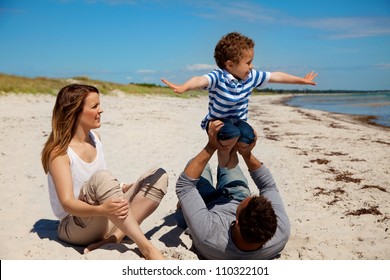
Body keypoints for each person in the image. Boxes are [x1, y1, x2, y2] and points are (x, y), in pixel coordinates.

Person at [41, 84, 168, 260]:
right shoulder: (60, 154)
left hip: (102, 216)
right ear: (75, 112)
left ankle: (114, 238)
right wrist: (102, 209)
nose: (101, 110)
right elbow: (67, 203)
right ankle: (147, 248)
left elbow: (95, 180)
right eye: (94, 106)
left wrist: (122, 188)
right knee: (103, 178)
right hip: (75, 225)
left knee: (158, 176)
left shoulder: (96, 139)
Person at [162, 32, 318, 169]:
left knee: (249, 138)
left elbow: (276, 76)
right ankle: (223, 153)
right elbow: (199, 80)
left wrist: (301, 81)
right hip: (218, 121)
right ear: (229, 65)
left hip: (238, 120)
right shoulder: (218, 77)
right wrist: (184, 87)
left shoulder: (251, 77)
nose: (251, 66)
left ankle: (230, 152)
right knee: (231, 134)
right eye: (248, 62)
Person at [175, 120, 290, 259]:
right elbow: (268, 186)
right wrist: (247, 154)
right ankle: (229, 148)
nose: (252, 196)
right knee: (230, 164)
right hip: (235, 195)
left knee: (196, 165)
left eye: (247, 202)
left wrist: (210, 147)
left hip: (205, 207)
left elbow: (185, 186)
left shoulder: (208, 236)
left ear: (237, 223)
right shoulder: (280, 231)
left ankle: (223, 144)